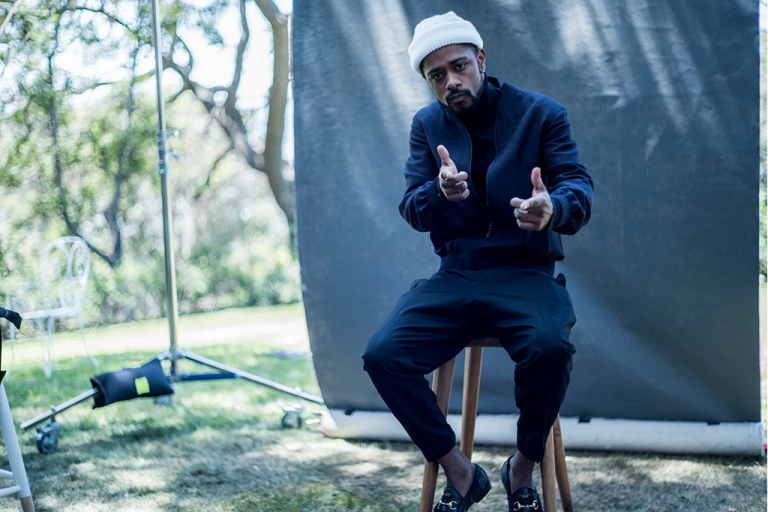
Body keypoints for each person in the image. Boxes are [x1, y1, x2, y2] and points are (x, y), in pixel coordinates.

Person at [361, 11, 594, 512]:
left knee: (550, 348)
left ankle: (522, 469)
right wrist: (438, 192)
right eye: (436, 75)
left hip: (526, 272)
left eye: (459, 66)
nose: (451, 81)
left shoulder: (541, 113)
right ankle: (461, 473)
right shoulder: (427, 125)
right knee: (383, 355)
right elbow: (411, 206)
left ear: (481, 59)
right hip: (457, 274)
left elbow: (578, 185)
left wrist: (553, 208)